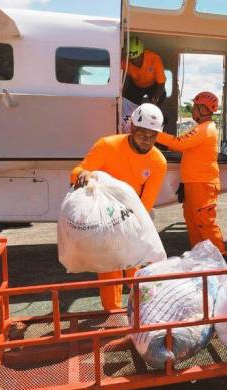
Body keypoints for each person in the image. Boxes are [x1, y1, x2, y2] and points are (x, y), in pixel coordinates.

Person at [71, 103, 167, 310]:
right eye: (143, 134)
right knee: (109, 267)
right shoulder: (107, 145)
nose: (147, 140)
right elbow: (78, 170)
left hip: (134, 216)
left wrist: (129, 225)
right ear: (132, 128)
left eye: (153, 136)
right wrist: (83, 175)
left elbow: (146, 202)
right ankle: (113, 313)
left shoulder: (158, 160)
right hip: (104, 218)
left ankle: (141, 312)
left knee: (136, 264)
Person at [156, 92, 227, 257]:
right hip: (194, 183)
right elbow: (180, 145)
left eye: (195, 107)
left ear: (203, 108)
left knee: (204, 223)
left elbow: (178, 144)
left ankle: (220, 257)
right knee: (193, 222)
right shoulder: (201, 128)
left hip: (202, 184)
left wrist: (155, 134)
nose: (193, 110)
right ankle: (200, 255)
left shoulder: (205, 129)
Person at [122, 35, 166, 107]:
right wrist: (121, 95)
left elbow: (161, 83)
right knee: (128, 101)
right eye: (131, 60)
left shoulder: (155, 59)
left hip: (153, 86)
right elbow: (123, 79)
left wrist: (155, 99)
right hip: (135, 86)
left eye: (137, 58)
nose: (134, 62)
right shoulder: (125, 62)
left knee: (161, 97)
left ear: (142, 53)